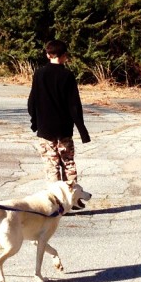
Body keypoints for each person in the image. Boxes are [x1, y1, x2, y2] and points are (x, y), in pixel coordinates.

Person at [27, 39, 90, 184]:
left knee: (51, 165)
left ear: (48, 55)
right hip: (64, 129)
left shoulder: (39, 74)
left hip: (45, 128)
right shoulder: (67, 75)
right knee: (68, 163)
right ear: (64, 56)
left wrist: (35, 122)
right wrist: (83, 131)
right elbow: (74, 105)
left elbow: (32, 101)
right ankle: (72, 198)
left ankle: (56, 201)